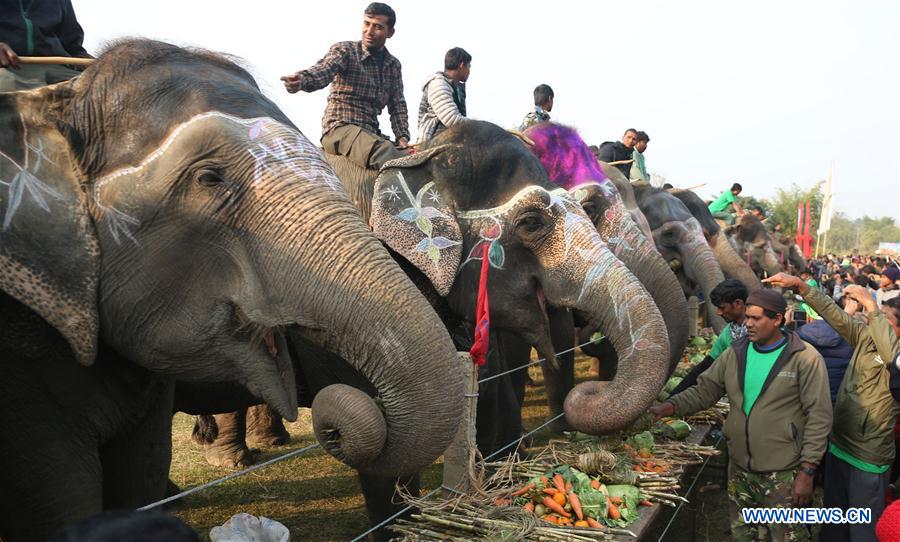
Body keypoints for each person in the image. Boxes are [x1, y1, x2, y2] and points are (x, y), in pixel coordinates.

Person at [650, 288, 831, 542]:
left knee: (785, 537)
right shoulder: (736, 353)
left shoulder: (805, 359)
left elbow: (819, 417)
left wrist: (808, 471)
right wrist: (666, 408)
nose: (748, 323)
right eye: (747, 317)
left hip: (782, 474)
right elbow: (704, 392)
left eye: (756, 318)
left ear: (777, 320)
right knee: (743, 536)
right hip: (740, 471)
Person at [764, 273, 900, 541]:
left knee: (863, 529)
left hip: (868, 456)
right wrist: (802, 287)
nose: (875, 320)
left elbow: (891, 355)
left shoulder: (896, 358)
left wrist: (872, 307)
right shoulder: (866, 338)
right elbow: (836, 317)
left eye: (886, 319)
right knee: (835, 522)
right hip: (840, 445)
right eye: (877, 315)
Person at [281, 3, 409, 170]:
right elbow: (325, 69)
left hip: (370, 132)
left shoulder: (393, 65)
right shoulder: (345, 51)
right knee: (388, 156)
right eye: (366, 23)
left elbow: (397, 104)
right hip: (339, 128)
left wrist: (402, 137)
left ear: (390, 32)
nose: (369, 31)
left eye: (378, 27)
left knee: (414, 157)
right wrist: (302, 80)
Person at [670, 279, 748, 394]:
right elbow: (706, 366)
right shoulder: (727, 334)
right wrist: (673, 398)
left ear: (738, 304)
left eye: (722, 308)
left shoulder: (764, 329)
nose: (718, 313)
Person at [0, 0, 90, 92]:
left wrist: (98, 64)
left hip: (57, 68)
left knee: (95, 90)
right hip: (11, 66)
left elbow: (73, 46)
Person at [416, 47, 470, 143]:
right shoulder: (438, 84)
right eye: (469, 66)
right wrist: (482, 127)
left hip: (450, 139)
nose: (469, 71)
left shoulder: (457, 89)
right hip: (432, 141)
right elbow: (452, 120)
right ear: (462, 65)